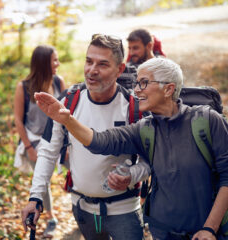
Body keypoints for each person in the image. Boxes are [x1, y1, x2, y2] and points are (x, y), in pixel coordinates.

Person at [34, 57, 228, 240]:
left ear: (168, 89)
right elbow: (100, 141)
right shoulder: (145, 129)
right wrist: (67, 120)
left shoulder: (207, 121)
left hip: (206, 231)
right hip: (162, 230)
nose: (136, 90)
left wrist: (210, 229)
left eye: (143, 83)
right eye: (136, 83)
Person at [21, 34, 150, 240]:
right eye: (89, 61)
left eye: (102, 64)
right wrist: (35, 197)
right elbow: (47, 152)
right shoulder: (68, 103)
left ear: (119, 69)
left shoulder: (134, 108)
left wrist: (132, 175)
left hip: (124, 210)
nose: (92, 70)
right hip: (83, 210)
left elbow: (149, 161)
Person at [13, 44, 66, 238]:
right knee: (42, 181)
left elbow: (67, 114)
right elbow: (18, 119)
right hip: (35, 141)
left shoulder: (59, 83)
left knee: (77, 168)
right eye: (54, 60)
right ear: (44, 63)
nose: (57, 64)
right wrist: (28, 147)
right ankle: (52, 218)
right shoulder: (24, 87)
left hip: (58, 138)